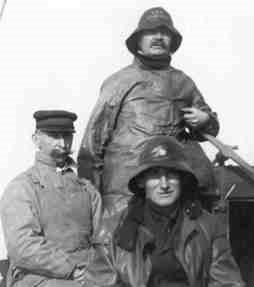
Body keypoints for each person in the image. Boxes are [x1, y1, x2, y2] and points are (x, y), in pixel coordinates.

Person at [78, 7, 219, 219]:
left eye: (165, 33)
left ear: (172, 40)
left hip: (171, 190)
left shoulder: (183, 82)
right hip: (125, 192)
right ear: (138, 40)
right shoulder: (119, 82)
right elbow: (92, 147)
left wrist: (205, 119)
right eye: (151, 32)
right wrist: (90, 202)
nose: (159, 37)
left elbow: (211, 128)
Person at [89, 136, 244, 287]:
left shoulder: (209, 227)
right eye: (155, 174)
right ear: (142, 181)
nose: (164, 184)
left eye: (171, 174)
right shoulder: (110, 231)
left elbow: (228, 282)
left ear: (182, 179)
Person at [0, 110, 102, 287]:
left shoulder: (87, 190)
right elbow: (23, 247)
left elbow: (102, 241)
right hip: (36, 277)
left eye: (67, 136)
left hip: (86, 276)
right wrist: (71, 269)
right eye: (54, 135)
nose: (62, 143)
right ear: (36, 139)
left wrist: (93, 270)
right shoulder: (22, 188)